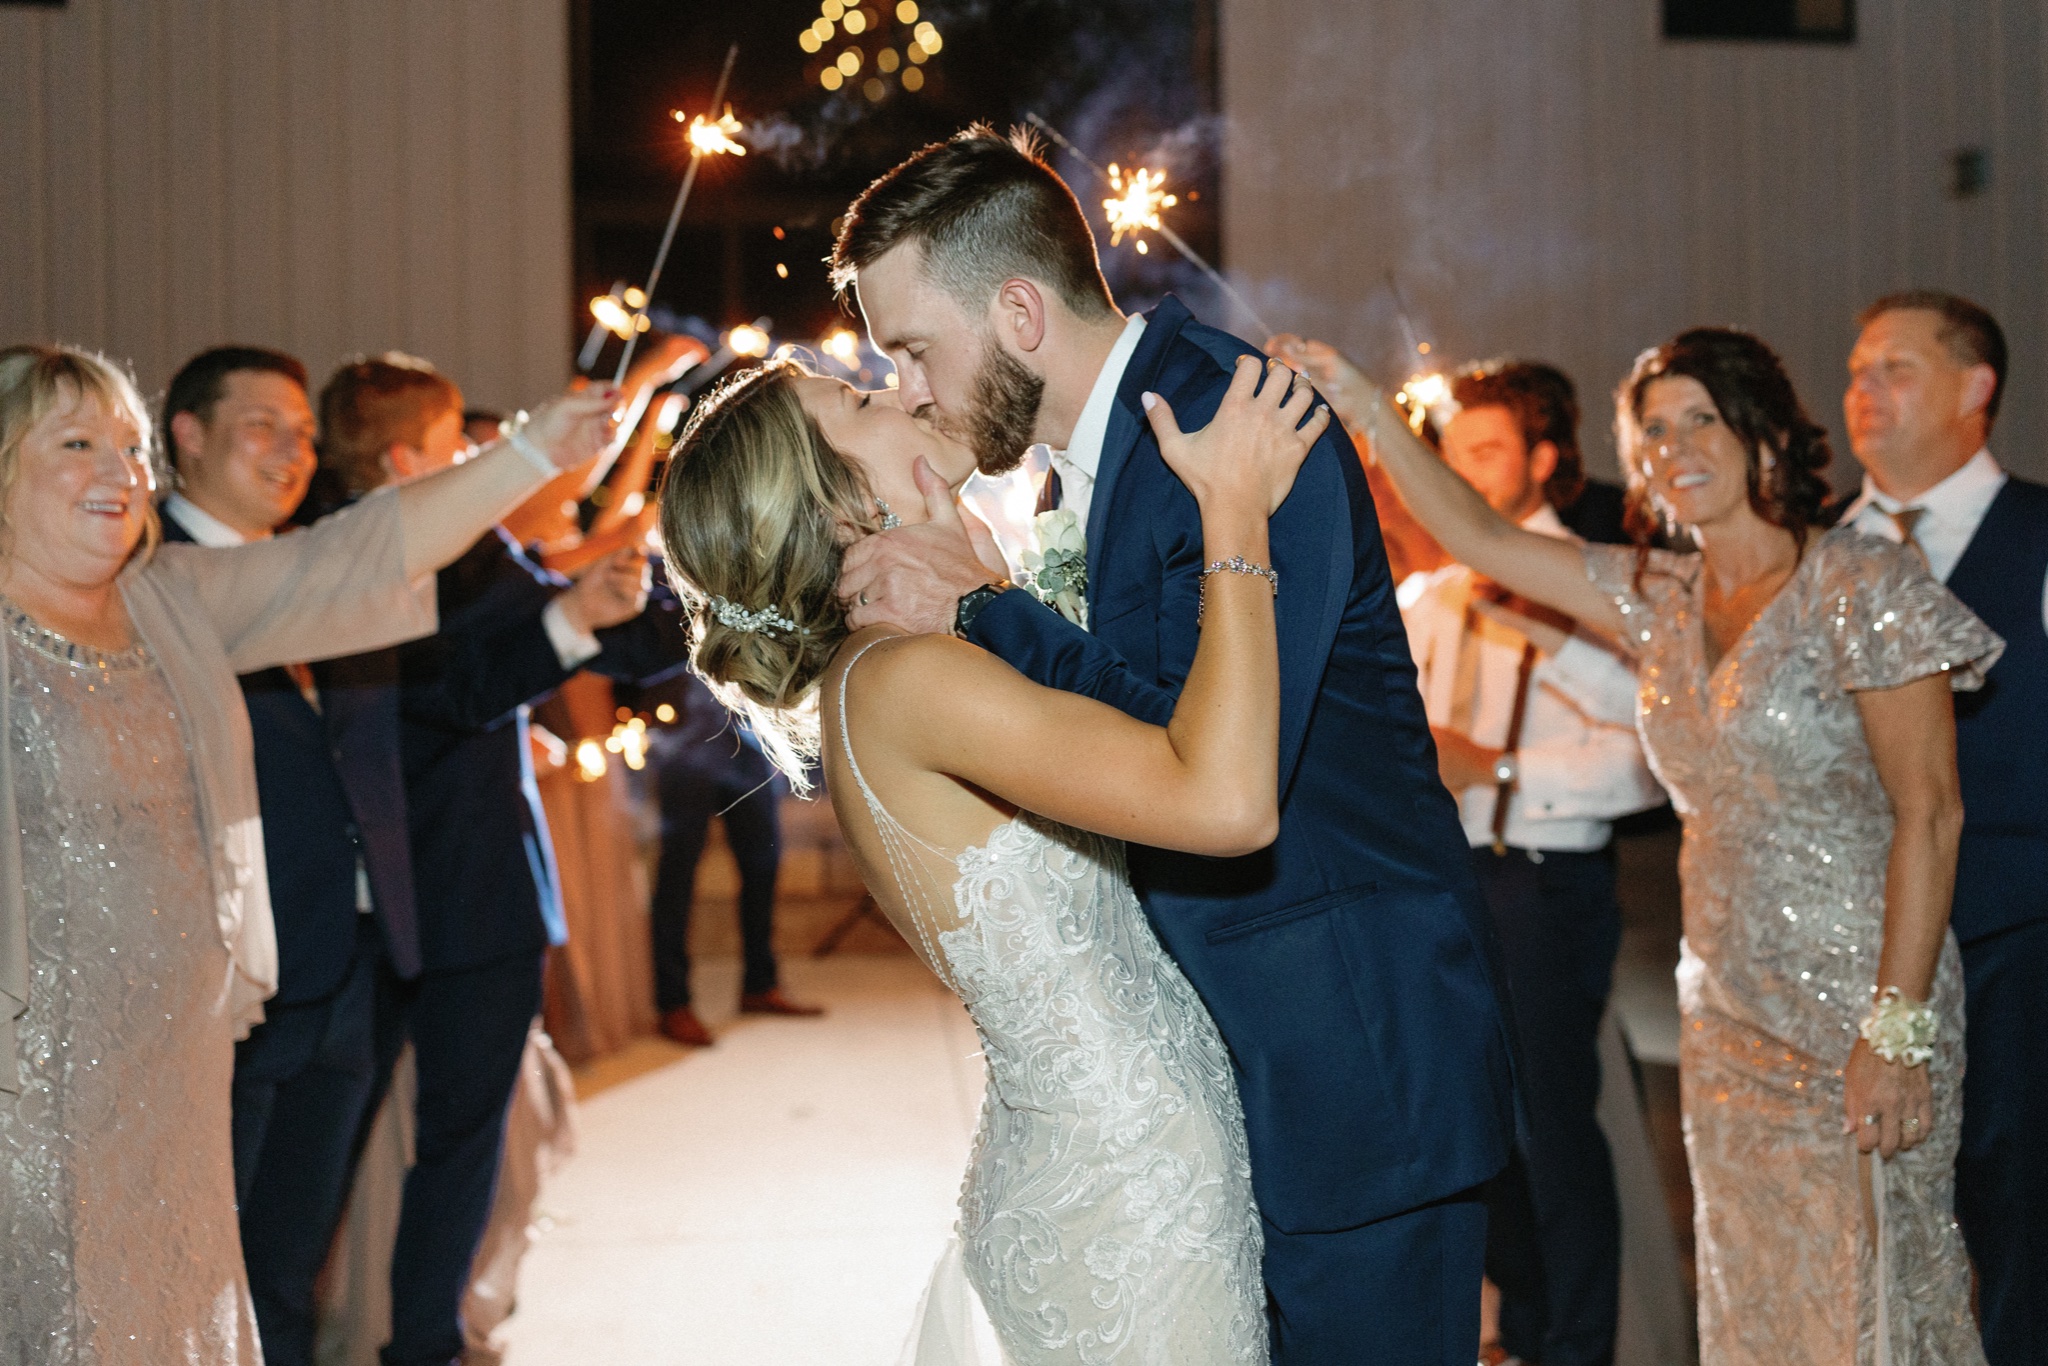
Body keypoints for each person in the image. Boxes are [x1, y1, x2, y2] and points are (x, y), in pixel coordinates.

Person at [831, 127, 1517, 1365]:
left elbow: (1201, 746)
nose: (914, 391)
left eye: (914, 351)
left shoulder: (1237, 427)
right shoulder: (1082, 469)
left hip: (1349, 1062)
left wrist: (989, 613)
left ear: (1020, 312)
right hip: (1232, 1075)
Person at [1280, 324, 1997, 1364]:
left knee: (1874, 1293)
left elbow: (1930, 814)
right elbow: (1480, 538)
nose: (1672, 444)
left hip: (1861, 1004)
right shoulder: (1658, 597)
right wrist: (1356, 396)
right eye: (1651, 429)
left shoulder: (1862, 583)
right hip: (1726, 1015)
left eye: (1698, 417)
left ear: (1760, 433)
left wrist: (1893, 1036)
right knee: (1752, 1290)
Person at [660, 340, 1323, 1363]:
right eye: (859, 400)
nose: (899, 395)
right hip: (1135, 1192)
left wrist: (981, 575)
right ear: (837, 506)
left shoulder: (887, 670)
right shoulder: (904, 678)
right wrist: (1233, 510)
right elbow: (1225, 801)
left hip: (1106, 1159)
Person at [0, 342, 613, 1364]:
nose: (121, 471)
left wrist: (529, 453)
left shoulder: (169, 599)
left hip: (180, 1063)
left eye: (127, 445)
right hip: (33, 1086)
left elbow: (351, 559)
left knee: (181, 1307)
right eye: (77, 443)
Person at [316, 353, 686, 1366]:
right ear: (402, 460)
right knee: (319, 1152)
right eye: (455, 446)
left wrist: (659, 588)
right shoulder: (322, 553)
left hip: (482, 891)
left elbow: (626, 642)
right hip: (355, 909)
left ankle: (426, 1342)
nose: (476, 459)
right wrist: (569, 619)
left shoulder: (481, 554)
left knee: (464, 1141)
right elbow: (451, 692)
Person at [1393, 359, 1664, 1366]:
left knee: (1549, 1128)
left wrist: (1497, 772)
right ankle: (1515, 1326)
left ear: (1544, 460)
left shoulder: (1591, 589)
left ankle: (1577, 1344)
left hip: (1542, 883)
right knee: (1468, 1125)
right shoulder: (1428, 595)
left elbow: (1646, 767)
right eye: (1450, 455)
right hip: (1442, 886)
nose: (1459, 473)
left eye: (1487, 451)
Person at [1837, 291, 2048, 1366]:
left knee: (2019, 1215)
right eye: (1855, 372)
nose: (1862, 394)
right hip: (1841, 941)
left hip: (2018, 940)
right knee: (1857, 1224)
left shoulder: (2040, 538)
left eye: (1894, 369)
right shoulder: (1812, 551)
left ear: (1976, 390)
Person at [629, 669, 820, 1048]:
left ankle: (760, 985)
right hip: (683, 745)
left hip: (749, 745)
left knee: (763, 867)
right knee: (677, 877)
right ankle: (673, 1002)